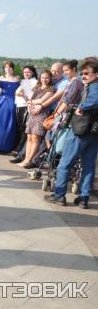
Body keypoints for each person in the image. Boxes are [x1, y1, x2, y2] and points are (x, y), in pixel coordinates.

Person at [45, 59, 98, 208]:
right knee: (88, 166)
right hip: (93, 133)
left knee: (65, 163)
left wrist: (81, 107)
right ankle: (83, 198)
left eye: (87, 73)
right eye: (82, 73)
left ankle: (59, 195)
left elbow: (94, 100)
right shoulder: (91, 85)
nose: (83, 76)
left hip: (80, 130)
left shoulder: (94, 87)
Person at [17, 71, 54, 168]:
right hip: (32, 114)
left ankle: (30, 160)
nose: (44, 80)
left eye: (46, 78)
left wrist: (30, 101)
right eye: (42, 78)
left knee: (35, 138)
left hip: (41, 115)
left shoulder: (51, 89)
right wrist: (28, 103)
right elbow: (29, 98)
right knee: (29, 137)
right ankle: (25, 159)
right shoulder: (37, 87)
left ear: (50, 78)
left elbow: (42, 101)